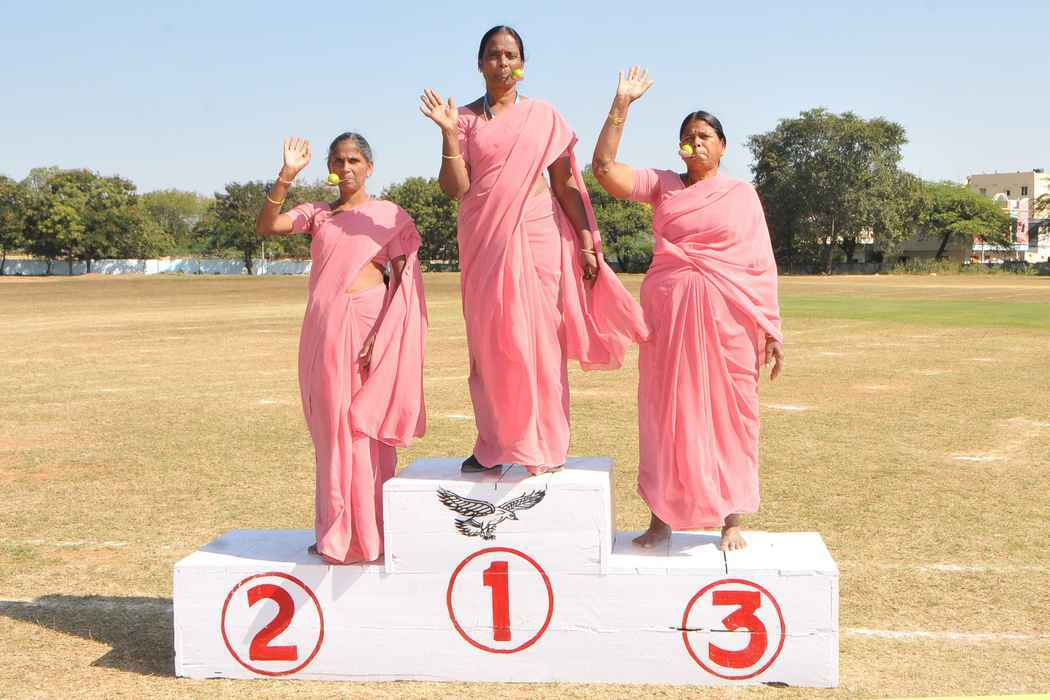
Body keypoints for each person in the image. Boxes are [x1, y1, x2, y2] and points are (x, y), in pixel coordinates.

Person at [419, 26, 646, 476]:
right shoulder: (462, 119)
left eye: (511, 55)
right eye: (493, 55)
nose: (502, 63)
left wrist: (586, 240)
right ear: (479, 64)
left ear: (522, 64)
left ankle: (545, 443)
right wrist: (447, 134)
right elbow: (455, 188)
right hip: (485, 241)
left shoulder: (544, 115)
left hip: (539, 236)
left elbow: (564, 183)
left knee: (540, 342)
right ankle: (494, 443)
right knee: (490, 344)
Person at [591, 67, 785, 551]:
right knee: (666, 413)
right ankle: (661, 519)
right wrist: (622, 105)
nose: (695, 144)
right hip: (670, 320)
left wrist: (771, 329)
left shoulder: (742, 195)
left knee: (733, 416)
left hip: (730, 324)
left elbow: (760, 265)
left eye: (705, 137)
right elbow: (604, 170)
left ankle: (731, 518)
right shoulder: (663, 186)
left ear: (723, 146)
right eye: (688, 138)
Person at [255, 132, 427, 563]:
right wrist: (287, 175)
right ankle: (336, 532)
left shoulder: (388, 215)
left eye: (354, 160)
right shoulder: (318, 214)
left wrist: (382, 335)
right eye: (338, 161)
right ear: (330, 168)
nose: (346, 168)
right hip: (323, 329)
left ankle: (370, 534)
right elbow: (268, 226)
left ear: (369, 167)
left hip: (367, 325)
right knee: (330, 431)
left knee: (362, 429)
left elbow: (403, 283)